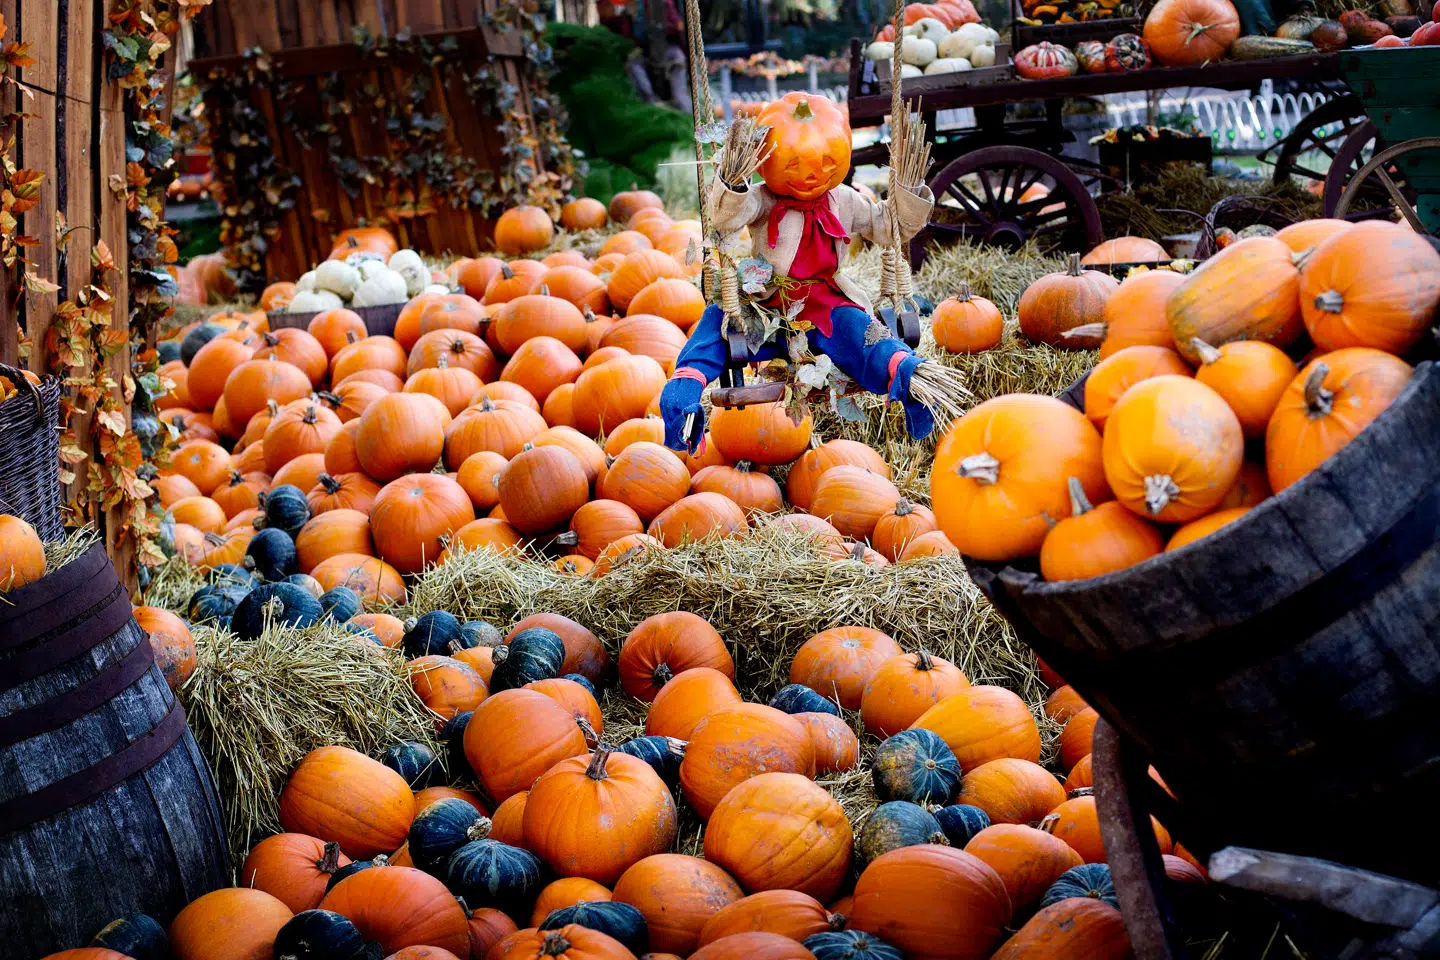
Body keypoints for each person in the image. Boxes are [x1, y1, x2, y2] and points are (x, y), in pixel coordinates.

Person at [658, 93, 938, 454]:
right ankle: (683, 395)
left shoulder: (845, 200)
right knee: (717, 323)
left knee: (865, 336)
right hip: (767, 305)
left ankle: (913, 383)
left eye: (826, 162)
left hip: (825, 304)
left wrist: (909, 194)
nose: (810, 175)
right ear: (766, 161)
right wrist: (732, 181)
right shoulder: (762, 200)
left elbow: (887, 226)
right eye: (792, 166)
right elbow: (728, 218)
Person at [599, 0, 692, 113]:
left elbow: (677, 27)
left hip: (671, 53)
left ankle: (691, 122)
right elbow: (614, 23)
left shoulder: (661, 4)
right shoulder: (628, 15)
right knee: (633, 66)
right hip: (647, 56)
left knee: (679, 97)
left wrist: (656, 30)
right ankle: (652, 105)